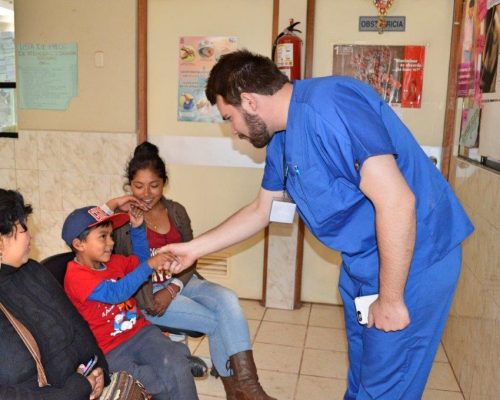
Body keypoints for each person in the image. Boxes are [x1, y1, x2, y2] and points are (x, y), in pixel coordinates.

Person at [160, 50, 475, 400]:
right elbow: (262, 209)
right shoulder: (282, 136)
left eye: (230, 117)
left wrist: (391, 298)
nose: (234, 131)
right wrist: (191, 249)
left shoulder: (330, 105)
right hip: (363, 264)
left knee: (386, 387)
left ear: (248, 101)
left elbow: (398, 201)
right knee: (361, 378)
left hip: (413, 261)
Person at [106, 141, 275, 400]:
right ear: (129, 186)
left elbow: (190, 258)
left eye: (154, 185)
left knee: (227, 299)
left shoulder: (176, 211)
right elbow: (90, 237)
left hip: (182, 282)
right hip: (146, 294)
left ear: (164, 183)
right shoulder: (121, 220)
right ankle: (241, 391)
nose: (146, 193)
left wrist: (174, 288)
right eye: (138, 186)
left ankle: (247, 389)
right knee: (220, 321)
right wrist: (113, 206)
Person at [61, 204, 198, 400]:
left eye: (111, 235)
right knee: (158, 379)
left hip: (140, 332)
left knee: (174, 365)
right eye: (103, 236)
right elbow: (116, 293)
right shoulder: (76, 276)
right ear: (79, 244)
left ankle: (179, 362)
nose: (111, 242)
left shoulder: (114, 262)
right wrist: (150, 264)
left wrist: (138, 228)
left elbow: (140, 265)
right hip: (109, 350)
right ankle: (180, 364)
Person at [0, 188, 108, 400]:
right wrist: (75, 390)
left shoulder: (33, 270)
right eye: (22, 228)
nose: (30, 235)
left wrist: (99, 371)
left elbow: (77, 325)